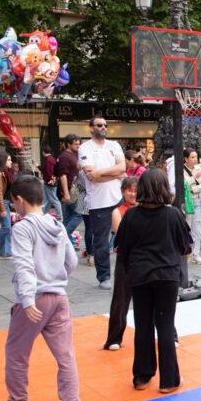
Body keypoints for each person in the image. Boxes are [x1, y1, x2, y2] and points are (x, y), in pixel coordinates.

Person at [0, 177, 81, 401]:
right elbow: (71, 262)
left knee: (17, 352)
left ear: (19, 200)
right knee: (65, 355)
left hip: (35, 299)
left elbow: (24, 266)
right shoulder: (57, 225)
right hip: (59, 297)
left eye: (12, 202)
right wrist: (55, 276)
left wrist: (28, 299)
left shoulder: (22, 228)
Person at [115, 170, 191, 393]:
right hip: (166, 275)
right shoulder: (173, 215)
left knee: (143, 324)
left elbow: (121, 247)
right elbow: (185, 245)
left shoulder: (131, 216)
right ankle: (169, 380)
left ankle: (142, 375)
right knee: (165, 326)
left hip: (140, 275)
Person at [78, 116, 126, 289]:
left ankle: (128, 271)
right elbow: (91, 175)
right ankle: (104, 277)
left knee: (126, 238)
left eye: (105, 125)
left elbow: (122, 168)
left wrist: (101, 173)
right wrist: (114, 173)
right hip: (98, 203)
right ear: (91, 128)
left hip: (117, 199)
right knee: (101, 243)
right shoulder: (85, 147)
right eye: (99, 125)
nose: (103, 127)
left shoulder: (115, 145)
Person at [102, 177, 139, 351]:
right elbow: (121, 234)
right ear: (123, 192)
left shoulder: (147, 209)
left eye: (135, 190)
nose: (133, 194)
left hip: (145, 260)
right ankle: (114, 338)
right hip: (126, 259)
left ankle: (170, 334)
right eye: (129, 190)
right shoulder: (118, 211)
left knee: (154, 300)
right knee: (120, 300)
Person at [183, 149, 201, 265]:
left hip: (198, 200)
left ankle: (196, 253)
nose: (194, 159)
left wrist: (193, 188)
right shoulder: (182, 169)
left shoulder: (200, 169)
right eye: (192, 157)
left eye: (195, 157)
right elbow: (183, 184)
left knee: (197, 228)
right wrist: (194, 178)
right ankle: (187, 253)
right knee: (187, 227)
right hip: (188, 201)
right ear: (186, 158)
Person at [56, 135, 81, 241]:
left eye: (79, 144)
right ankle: (63, 238)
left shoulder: (73, 155)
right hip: (70, 190)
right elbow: (63, 175)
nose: (78, 146)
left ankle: (64, 242)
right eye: (75, 144)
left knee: (69, 217)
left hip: (73, 189)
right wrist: (66, 193)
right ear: (68, 144)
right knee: (78, 214)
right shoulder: (65, 157)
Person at [40, 144, 62, 218]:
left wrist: (50, 181)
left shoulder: (48, 160)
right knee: (48, 199)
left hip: (50, 181)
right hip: (52, 181)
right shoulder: (51, 159)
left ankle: (59, 215)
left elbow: (49, 173)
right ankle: (43, 213)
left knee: (53, 199)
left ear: (43, 152)